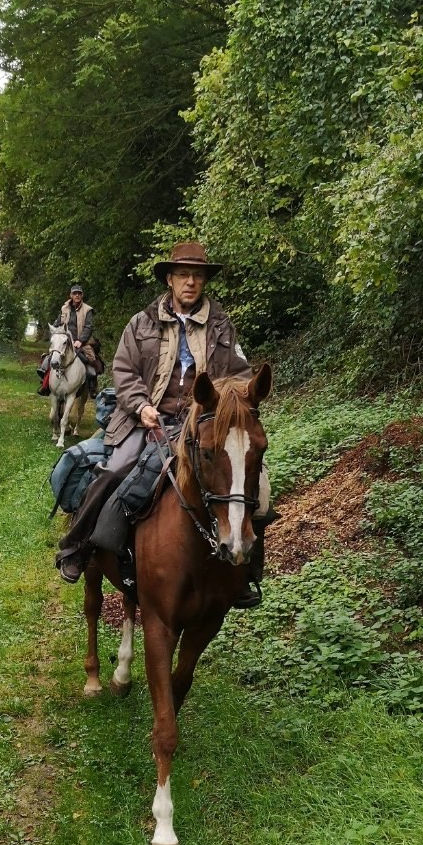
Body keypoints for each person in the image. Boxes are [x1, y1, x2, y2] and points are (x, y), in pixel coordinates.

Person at [54, 241, 271, 599]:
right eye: (183, 274)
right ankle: (77, 545)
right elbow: (123, 370)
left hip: (205, 424)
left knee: (257, 489)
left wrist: (236, 401)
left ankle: (244, 572)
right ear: (169, 279)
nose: (190, 282)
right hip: (149, 421)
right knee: (114, 471)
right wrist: (141, 406)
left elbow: (239, 373)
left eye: (197, 275)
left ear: (204, 281)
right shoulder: (142, 323)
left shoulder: (220, 326)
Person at [37, 283, 101, 396]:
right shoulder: (64, 308)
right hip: (64, 340)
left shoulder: (88, 310)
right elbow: (58, 323)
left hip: (81, 342)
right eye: (75, 293)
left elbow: (88, 327)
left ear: (82, 295)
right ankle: (45, 385)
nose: (77, 295)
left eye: (79, 293)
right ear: (71, 295)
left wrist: (80, 340)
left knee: (91, 361)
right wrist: (55, 331)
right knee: (49, 358)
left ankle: (92, 387)